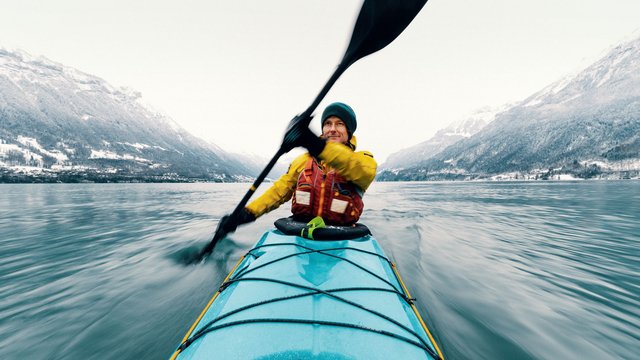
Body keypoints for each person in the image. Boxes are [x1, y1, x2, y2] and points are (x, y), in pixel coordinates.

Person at [221, 102, 377, 233]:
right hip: (300, 235)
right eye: (328, 123)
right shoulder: (302, 162)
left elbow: (353, 166)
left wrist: (312, 143)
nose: (332, 129)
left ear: (349, 132)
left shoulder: (363, 160)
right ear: (323, 129)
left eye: (340, 124)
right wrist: (247, 214)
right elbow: (278, 192)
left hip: (343, 237)